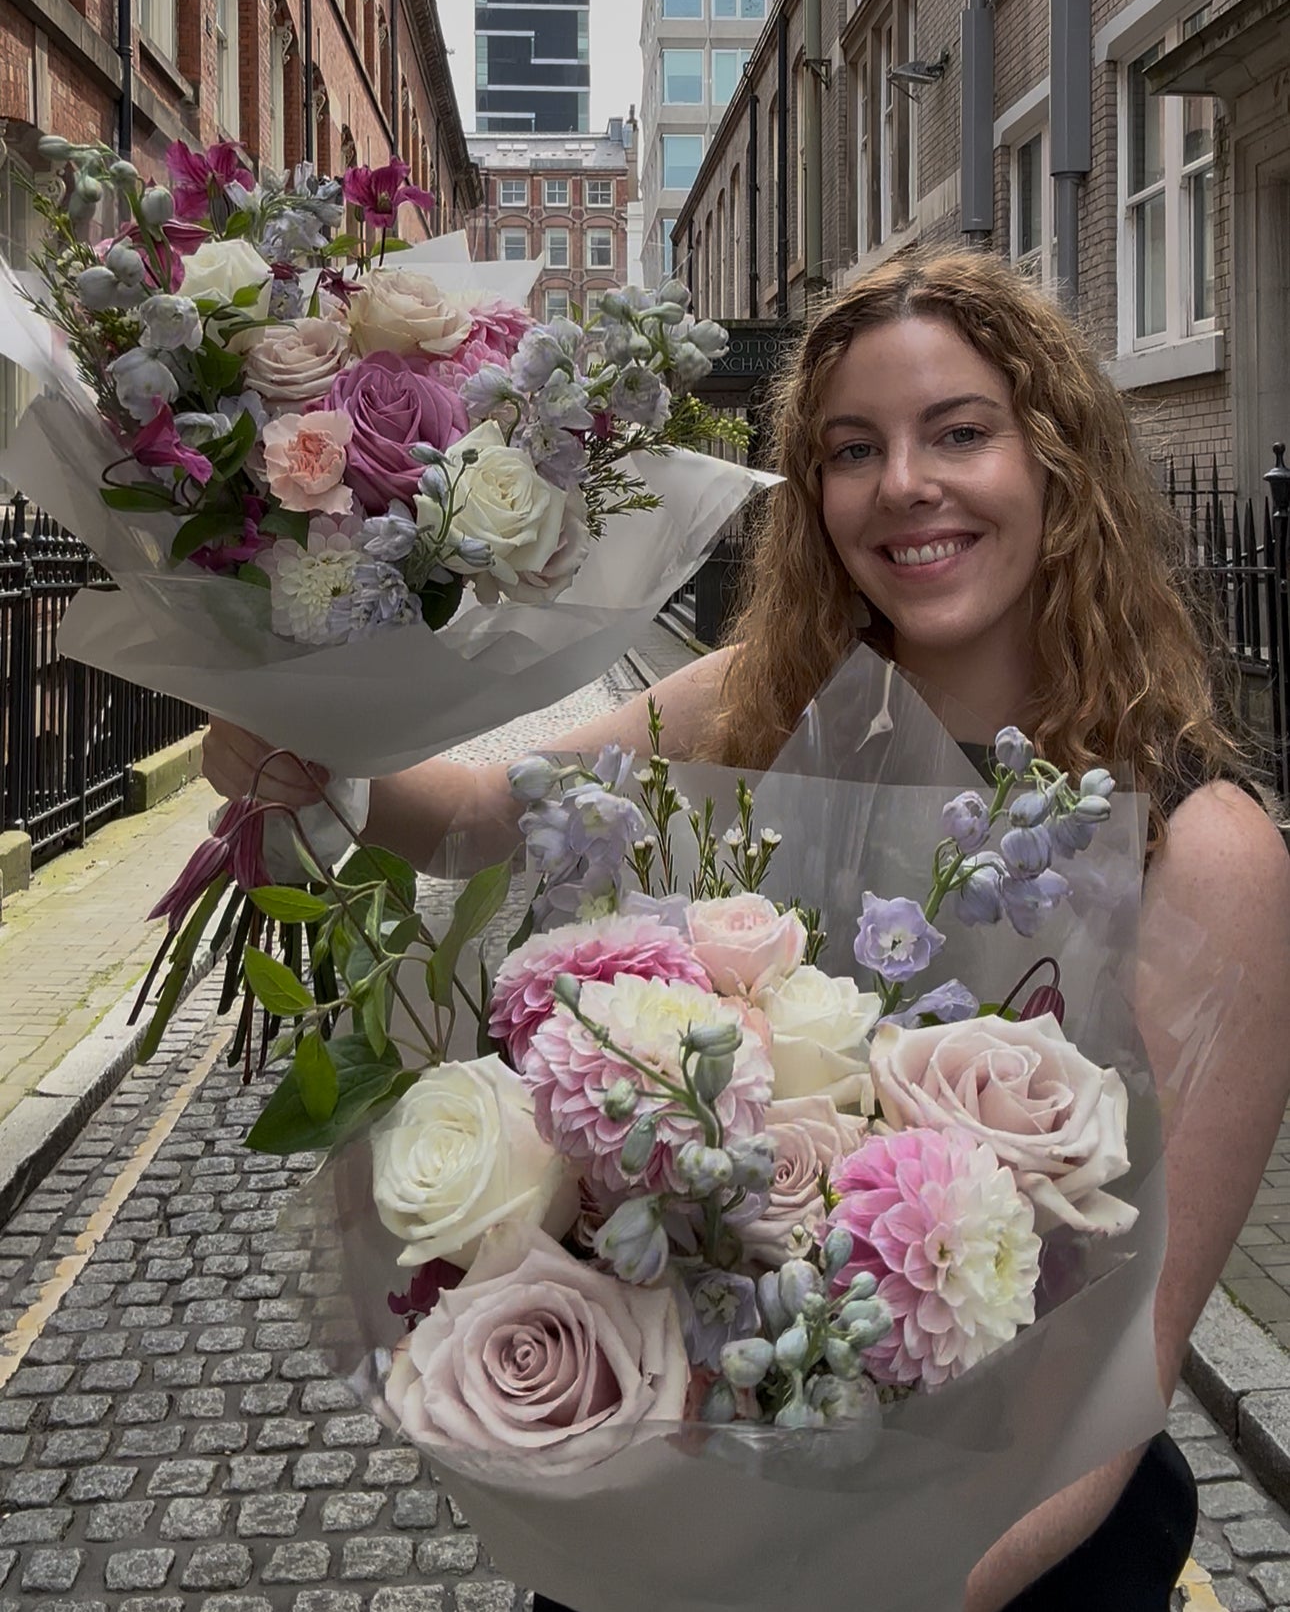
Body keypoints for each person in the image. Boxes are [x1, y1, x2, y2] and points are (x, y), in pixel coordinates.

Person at [204, 249, 1290, 1611]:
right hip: (691, 1511)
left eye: (959, 431)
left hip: (999, 1563)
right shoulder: (757, 701)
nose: (903, 484)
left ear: (1057, 460)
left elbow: (1121, 1359)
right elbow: (484, 819)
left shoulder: (1199, 848)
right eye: (852, 448)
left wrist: (897, 1591)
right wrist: (308, 743)